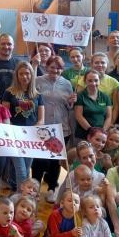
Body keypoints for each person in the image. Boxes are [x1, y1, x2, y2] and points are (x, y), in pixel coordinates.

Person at [35, 55, 75, 202]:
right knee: (39, 161)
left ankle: (52, 188)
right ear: (47, 67)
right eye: (52, 67)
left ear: (62, 69)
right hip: (42, 127)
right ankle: (35, 189)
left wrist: (71, 102)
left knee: (55, 161)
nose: (55, 70)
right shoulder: (38, 81)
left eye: (58, 68)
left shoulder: (67, 84)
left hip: (60, 127)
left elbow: (69, 106)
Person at [2, 61, 45, 190]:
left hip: (31, 138)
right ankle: (23, 197)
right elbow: (5, 117)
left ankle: (16, 192)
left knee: (26, 169)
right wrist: (13, 131)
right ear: (17, 75)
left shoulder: (37, 95)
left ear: (31, 75)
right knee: (21, 170)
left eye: (27, 73)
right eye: (21, 74)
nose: (24, 76)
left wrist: (32, 131)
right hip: (15, 136)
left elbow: (41, 120)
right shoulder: (9, 93)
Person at [74, 69, 113, 142]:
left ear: (100, 81)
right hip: (83, 135)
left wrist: (102, 131)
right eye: (90, 80)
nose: (93, 83)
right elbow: (79, 116)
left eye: (96, 80)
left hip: (101, 137)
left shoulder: (105, 97)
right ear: (85, 81)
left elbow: (109, 117)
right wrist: (92, 131)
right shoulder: (80, 96)